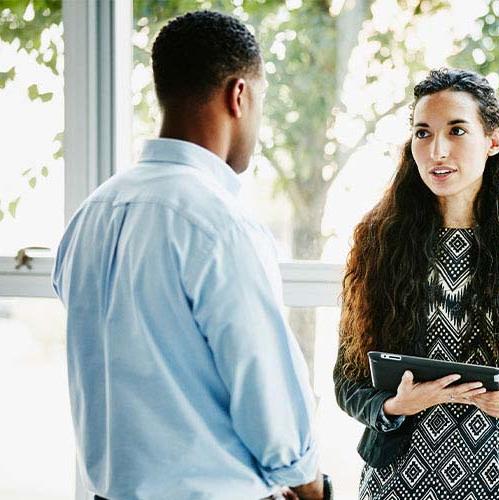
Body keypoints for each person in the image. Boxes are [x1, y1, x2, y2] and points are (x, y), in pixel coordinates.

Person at [52, 11, 329, 499]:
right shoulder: (219, 225)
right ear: (238, 95)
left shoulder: (90, 216)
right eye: (259, 100)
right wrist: (309, 486)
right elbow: (265, 389)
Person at [334, 68, 499, 499]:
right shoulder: (378, 240)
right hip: (397, 484)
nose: (437, 150)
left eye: (456, 130)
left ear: (493, 140)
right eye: (423, 132)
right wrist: (394, 406)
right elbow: (347, 381)